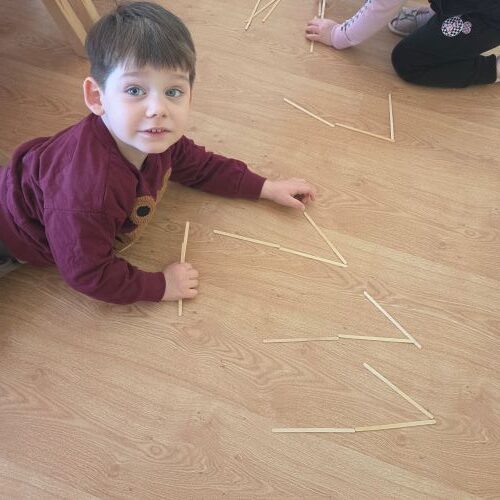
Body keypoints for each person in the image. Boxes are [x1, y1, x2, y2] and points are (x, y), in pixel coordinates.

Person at [0, 1, 316, 303]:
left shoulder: (154, 138)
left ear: (190, 97)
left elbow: (201, 166)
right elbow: (88, 273)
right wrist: (162, 286)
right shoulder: (87, 194)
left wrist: (266, 188)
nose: (158, 109)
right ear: (97, 97)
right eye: (135, 90)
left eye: (173, 91)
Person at [305, 1, 500, 87]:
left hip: (490, 18)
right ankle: (443, 13)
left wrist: (336, 35)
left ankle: (494, 69)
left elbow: (380, 7)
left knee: (408, 60)